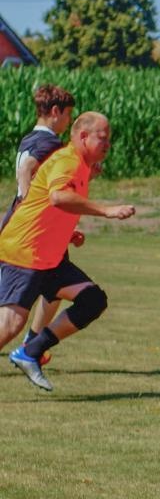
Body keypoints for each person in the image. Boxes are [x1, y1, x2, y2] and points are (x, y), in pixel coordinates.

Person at [0, 112, 137, 392]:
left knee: (92, 300)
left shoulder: (83, 167)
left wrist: (67, 232)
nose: (108, 144)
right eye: (103, 138)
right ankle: (29, 350)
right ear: (83, 137)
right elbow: (58, 197)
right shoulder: (68, 160)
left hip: (49, 259)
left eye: (109, 139)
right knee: (10, 325)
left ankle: (30, 352)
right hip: (25, 253)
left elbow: (49, 204)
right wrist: (107, 211)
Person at [4, 84, 76, 364]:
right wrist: (27, 202)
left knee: (54, 288)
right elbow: (26, 169)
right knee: (29, 299)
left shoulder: (30, 138)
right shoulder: (51, 143)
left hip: (26, 227)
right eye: (68, 115)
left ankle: (31, 345)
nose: (69, 120)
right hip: (34, 232)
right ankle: (30, 346)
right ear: (55, 112)